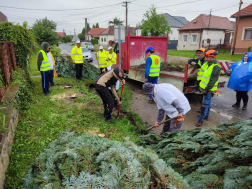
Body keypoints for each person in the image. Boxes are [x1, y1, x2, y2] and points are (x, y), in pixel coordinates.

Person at [196, 50, 221, 127]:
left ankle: (201, 119)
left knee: (205, 104)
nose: (206, 58)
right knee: (208, 102)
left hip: (208, 89)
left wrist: (206, 90)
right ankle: (206, 115)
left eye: (207, 57)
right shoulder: (208, 63)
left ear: (212, 57)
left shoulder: (216, 66)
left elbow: (213, 80)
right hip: (204, 87)